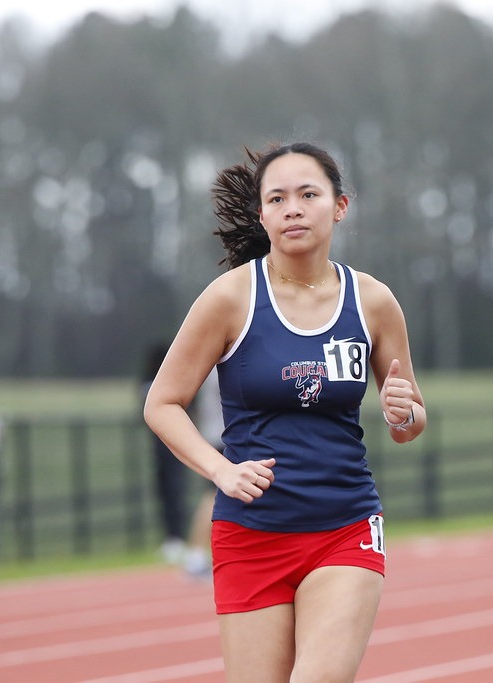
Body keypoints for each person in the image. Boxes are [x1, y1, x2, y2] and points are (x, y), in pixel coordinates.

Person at [144, 141, 426, 682]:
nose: (292, 208)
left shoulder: (373, 302)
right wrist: (220, 469)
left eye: (307, 194)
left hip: (344, 526)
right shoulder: (230, 298)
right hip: (251, 533)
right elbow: (162, 403)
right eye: (277, 198)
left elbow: (411, 424)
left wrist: (402, 414)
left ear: (340, 206)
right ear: (262, 214)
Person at [141, 343, 190, 564]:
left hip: (175, 447)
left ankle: (180, 538)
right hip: (160, 449)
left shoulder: (174, 385)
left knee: (175, 491)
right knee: (165, 492)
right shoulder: (149, 387)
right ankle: (172, 538)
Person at [180, 365, 222, 580]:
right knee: (213, 496)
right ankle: (196, 554)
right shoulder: (219, 361)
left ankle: (197, 554)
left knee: (213, 496)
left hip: (218, 433)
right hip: (223, 436)